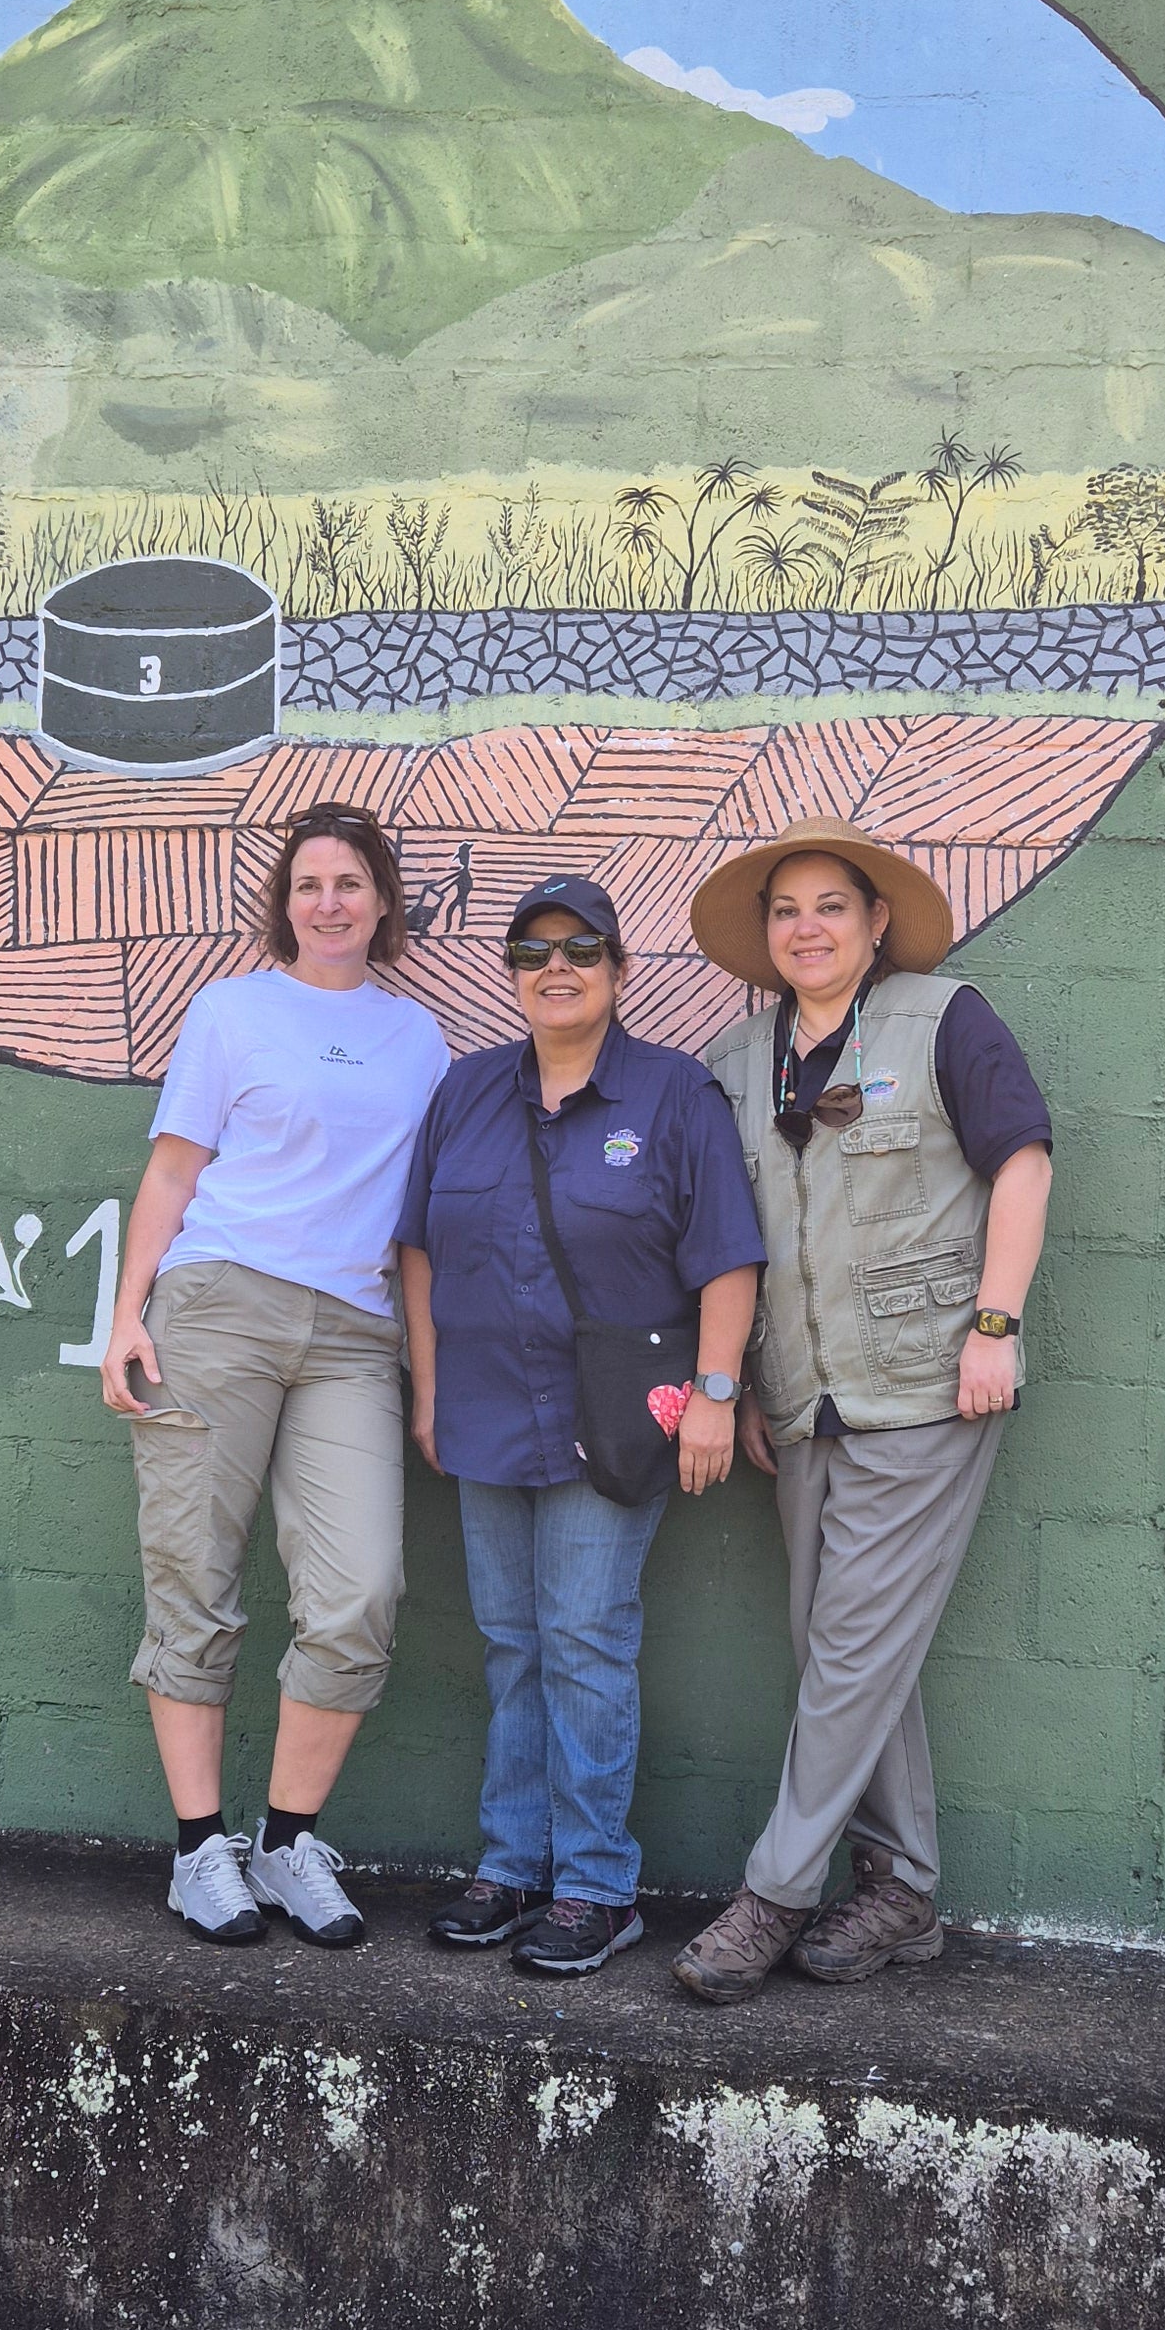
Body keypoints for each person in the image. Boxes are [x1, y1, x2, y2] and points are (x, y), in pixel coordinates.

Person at [674, 827, 1053, 1999]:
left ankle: (774, 1892)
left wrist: (996, 1324)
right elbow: (726, 1240)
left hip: (928, 1386)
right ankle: (904, 1887)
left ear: (876, 922)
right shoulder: (737, 1063)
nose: (808, 927)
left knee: (847, 1652)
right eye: (786, 910)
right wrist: (731, 1381)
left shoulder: (945, 1020)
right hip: (799, 1407)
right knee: (841, 1648)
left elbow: (1025, 1162)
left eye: (832, 906)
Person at [397, 874, 763, 1978]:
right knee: (513, 1646)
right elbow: (417, 1248)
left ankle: (598, 1885)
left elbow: (729, 1255)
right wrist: (426, 1388)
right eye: (533, 949)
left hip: (609, 1424)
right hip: (481, 1414)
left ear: (618, 970)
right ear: (511, 971)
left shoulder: (673, 1094)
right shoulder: (465, 1092)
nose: (556, 967)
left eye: (582, 948)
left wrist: (714, 1392)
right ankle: (512, 1868)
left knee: (586, 1642)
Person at [99, 802, 449, 1951]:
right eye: (309, 884)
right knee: (193, 1574)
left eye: (351, 882)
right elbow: (170, 1172)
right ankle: (201, 1849)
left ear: (384, 901)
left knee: (361, 1592)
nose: (330, 902)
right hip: (219, 1306)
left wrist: (428, 1374)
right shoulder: (233, 1012)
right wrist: (126, 1317)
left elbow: (418, 1236)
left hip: (354, 1332)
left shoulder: (420, 1040)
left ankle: (288, 1839)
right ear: (285, 903)